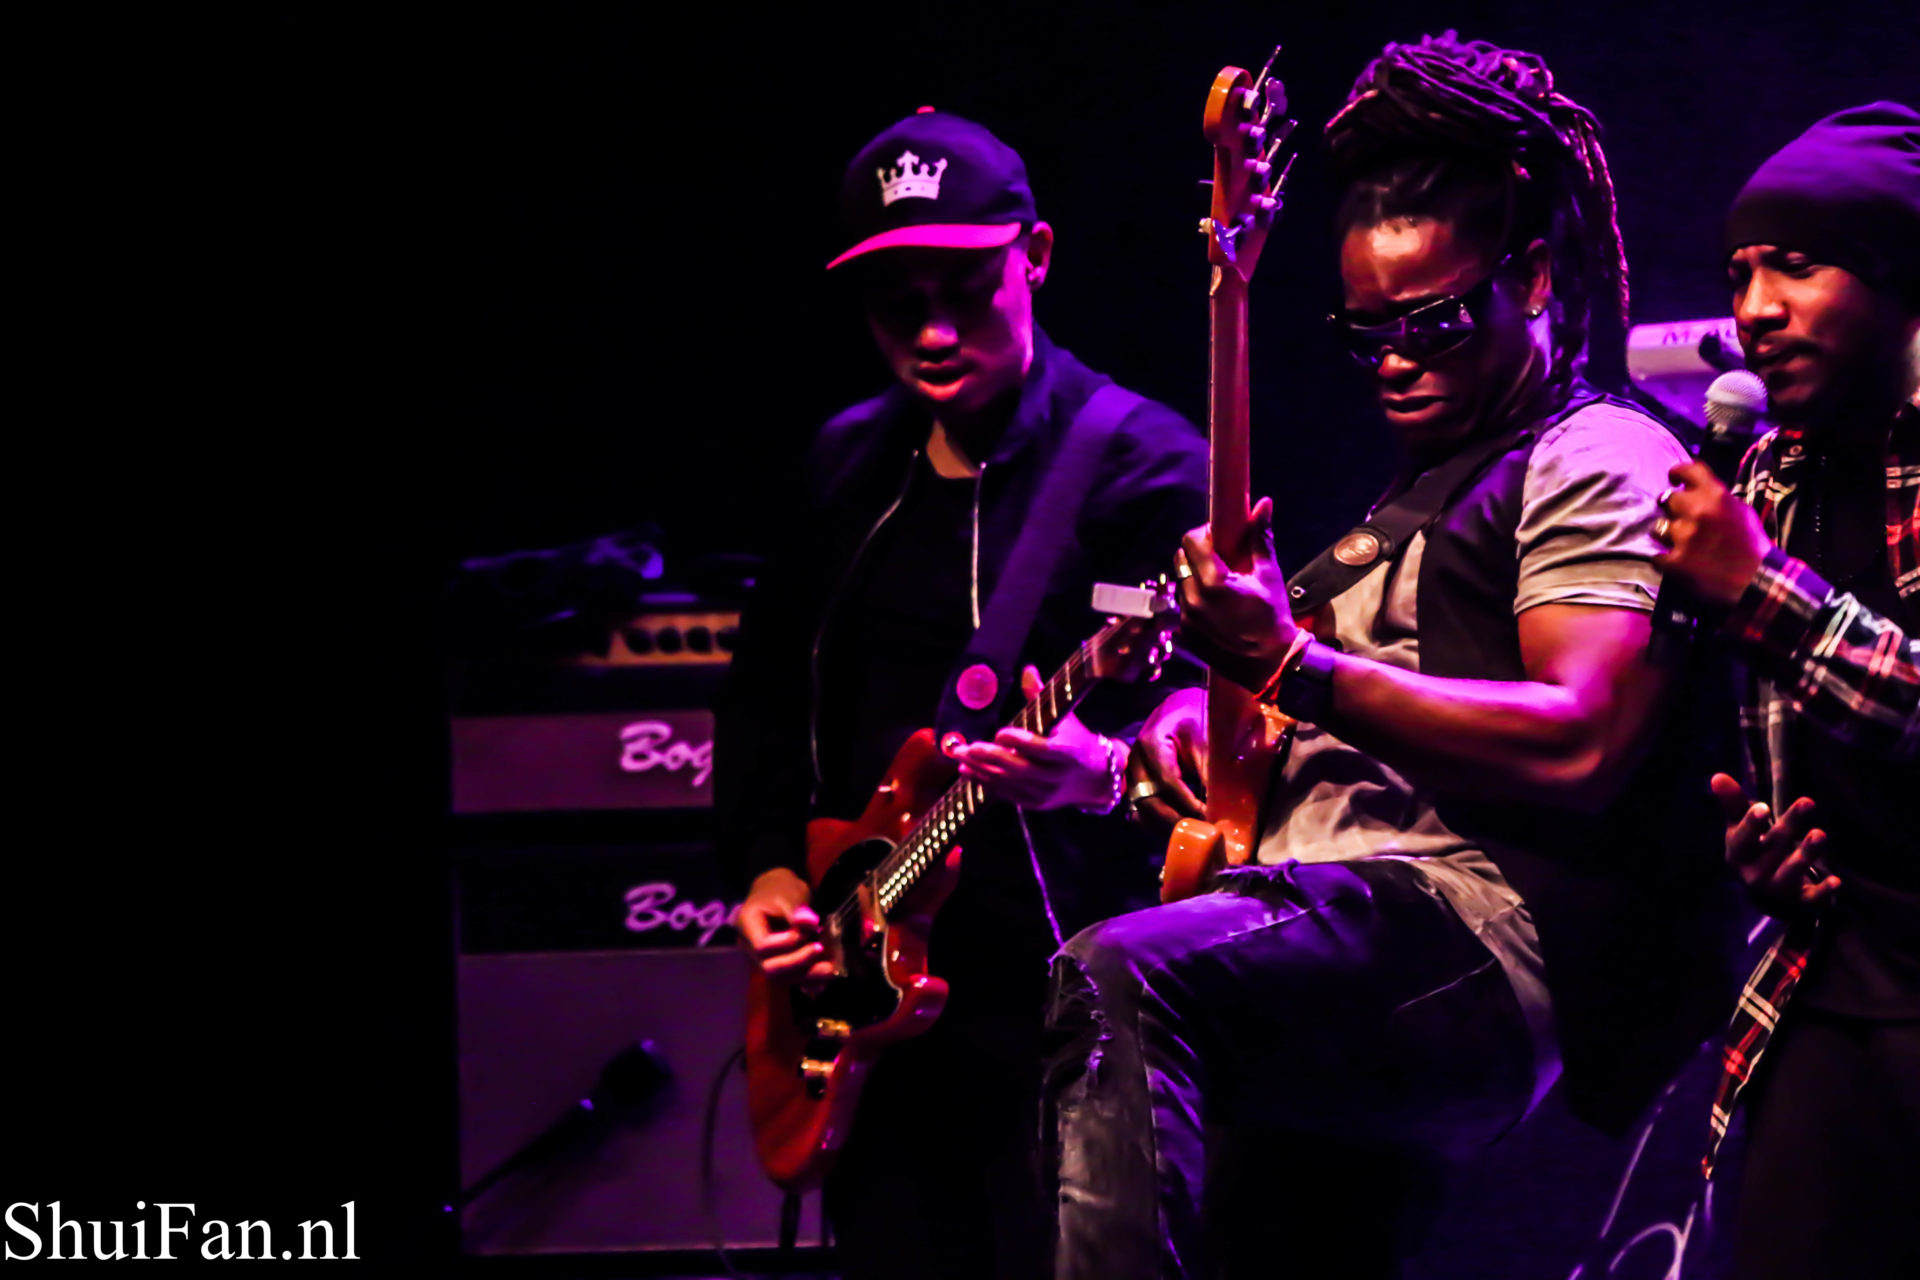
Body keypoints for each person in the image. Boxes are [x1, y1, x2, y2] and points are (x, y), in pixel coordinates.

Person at [1041, 34, 1740, 1278]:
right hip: (1321, 940)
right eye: (1369, 336)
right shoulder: (1402, 506)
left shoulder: (1594, 453)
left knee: (1118, 975)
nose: (1400, 361)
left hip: (1469, 935)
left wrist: (1293, 667)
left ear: (1533, 277)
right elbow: (1320, 737)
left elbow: (1582, 736)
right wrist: (1167, 746)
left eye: (1437, 321)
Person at [711, 108, 1209, 1280]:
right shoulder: (844, 463)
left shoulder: (1144, 464)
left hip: (1068, 999)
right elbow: (766, 693)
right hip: (867, 983)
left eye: (966, 291)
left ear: (1035, 255)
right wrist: (768, 870)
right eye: (897, 304)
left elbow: (1219, 728)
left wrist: (1103, 770)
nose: (932, 331)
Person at [1658, 101, 1919, 1280]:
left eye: (1797, 266)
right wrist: (1755, 845)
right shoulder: (1766, 473)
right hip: (1830, 973)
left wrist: (1759, 590)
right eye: (1739, 275)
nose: (1755, 308)